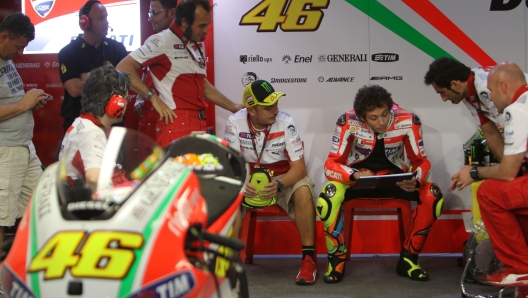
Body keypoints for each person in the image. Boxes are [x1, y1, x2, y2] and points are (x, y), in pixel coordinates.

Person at [317, 85, 444, 283]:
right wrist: (354, 175)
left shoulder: (408, 120)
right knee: (329, 195)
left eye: (385, 114)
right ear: (362, 116)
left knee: (433, 194)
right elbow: (331, 163)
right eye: (374, 118)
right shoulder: (347, 121)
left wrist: (416, 180)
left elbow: (421, 162)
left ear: (390, 107)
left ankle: (409, 260)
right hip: (357, 180)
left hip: (396, 180)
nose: (382, 122)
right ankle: (336, 261)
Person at [224, 80, 318, 285]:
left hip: (281, 180)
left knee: (303, 189)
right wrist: (242, 182)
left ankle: (309, 260)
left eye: (276, 105)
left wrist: (279, 183)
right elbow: (232, 165)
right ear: (251, 110)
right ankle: (231, 263)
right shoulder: (234, 123)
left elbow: (299, 169)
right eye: (268, 107)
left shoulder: (286, 122)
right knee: (230, 197)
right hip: (248, 180)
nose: (275, 111)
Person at [117, 0, 243, 147]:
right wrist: (152, 97)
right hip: (175, 123)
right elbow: (122, 68)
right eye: (201, 26)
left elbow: (201, 84)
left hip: (198, 123)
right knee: (177, 170)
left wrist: (232, 106)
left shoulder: (195, 43)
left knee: (199, 170)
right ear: (184, 22)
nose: (206, 31)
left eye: (207, 25)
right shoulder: (161, 41)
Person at [452, 62, 528, 287]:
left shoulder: (518, 109)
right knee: (515, 197)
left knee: (489, 192)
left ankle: (521, 269)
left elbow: (506, 172)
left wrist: (474, 172)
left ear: (504, 86)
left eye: (492, 92)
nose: (491, 99)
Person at [0, 13, 47, 247]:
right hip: (5, 150)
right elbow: (17, 104)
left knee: (39, 207)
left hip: (25, 148)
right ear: (3, 37)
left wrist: (30, 103)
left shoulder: (6, 61)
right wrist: (23, 105)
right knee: (1, 218)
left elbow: (11, 100)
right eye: (18, 47)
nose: (20, 54)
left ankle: (26, 269)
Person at [58, 64, 130, 192]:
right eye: (126, 98)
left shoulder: (84, 123)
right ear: (115, 102)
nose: (126, 104)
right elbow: (93, 179)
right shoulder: (91, 132)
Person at [58, 0, 128, 132]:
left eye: (106, 17)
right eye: (101, 18)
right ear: (85, 23)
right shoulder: (68, 52)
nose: (106, 22)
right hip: (79, 125)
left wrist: (88, 77)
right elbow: (74, 89)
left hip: (113, 125)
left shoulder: (117, 48)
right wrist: (110, 77)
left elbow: (124, 85)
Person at [135, 0, 176, 154]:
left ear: (172, 13)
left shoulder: (186, 43)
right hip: (150, 115)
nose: (150, 18)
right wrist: (141, 97)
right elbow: (137, 72)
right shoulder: (154, 41)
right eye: (150, 13)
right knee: (145, 172)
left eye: (155, 13)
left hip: (170, 118)